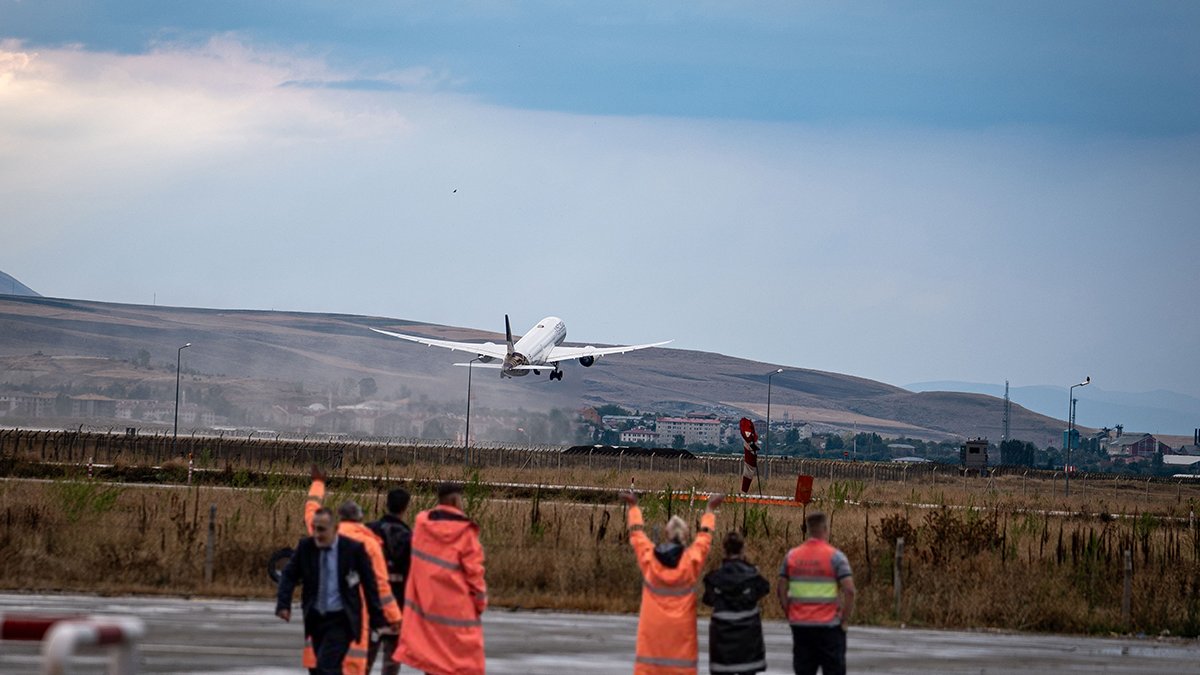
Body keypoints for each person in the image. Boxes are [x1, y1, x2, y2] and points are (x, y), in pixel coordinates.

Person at [305, 466, 403, 674]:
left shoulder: (326, 534)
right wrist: (395, 618)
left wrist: (318, 484)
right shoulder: (369, 544)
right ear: (360, 518)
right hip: (353, 621)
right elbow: (380, 587)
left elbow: (311, 511)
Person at [620, 489, 723, 674]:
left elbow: (637, 535)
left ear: (666, 534)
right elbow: (704, 539)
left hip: (652, 646)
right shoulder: (690, 561)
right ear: (684, 536)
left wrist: (634, 507)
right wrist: (709, 510)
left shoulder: (650, 559)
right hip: (681, 645)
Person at [276, 507, 387, 675]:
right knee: (321, 668)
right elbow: (289, 575)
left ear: (335, 529)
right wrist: (284, 604)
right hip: (316, 618)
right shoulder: (307, 547)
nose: (317, 534)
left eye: (321, 529)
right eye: (314, 529)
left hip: (342, 619)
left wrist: (378, 618)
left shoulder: (353, 549)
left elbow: (370, 584)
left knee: (327, 665)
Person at [394, 482, 487, 675]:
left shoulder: (422, 524)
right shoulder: (465, 533)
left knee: (432, 660)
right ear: (454, 500)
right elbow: (474, 574)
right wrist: (480, 602)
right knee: (458, 664)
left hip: (426, 608)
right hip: (456, 612)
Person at [777, 511, 856, 675]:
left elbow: (781, 588)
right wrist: (844, 619)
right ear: (826, 529)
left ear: (808, 529)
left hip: (801, 625)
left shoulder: (792, 556)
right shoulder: (836, 557)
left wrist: (789, 612)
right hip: (829, 627)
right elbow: (849, 590)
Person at [702, 531, 770, 674]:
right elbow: (764, 588)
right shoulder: (752, 576)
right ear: (742, 549)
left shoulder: (714, 578)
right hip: (748, 638)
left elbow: (708, 599)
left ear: (724, 550)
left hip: (722, 639)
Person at [367, 488, 412, 675]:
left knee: (366, 653)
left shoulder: (369, 530)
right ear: (405, 508)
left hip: (371, 601)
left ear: (386, 504)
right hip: (397, 603)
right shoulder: (407, 536)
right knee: (392, 658)